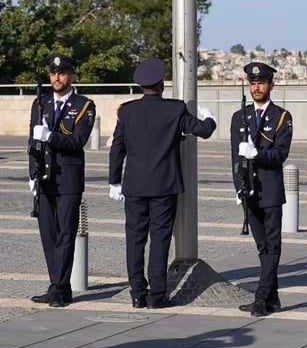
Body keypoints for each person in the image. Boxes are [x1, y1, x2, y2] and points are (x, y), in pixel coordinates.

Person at [107, 57, 217, 309]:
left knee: (134, 240)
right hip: (164, 185)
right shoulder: (175, 109)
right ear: (162, 84)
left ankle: (137, 293)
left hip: (134, 185)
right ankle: (157, 295)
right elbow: (203, 130)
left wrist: (114, 180)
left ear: (141, 86)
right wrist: (209, 117)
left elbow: (117, 148)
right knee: (160, 240)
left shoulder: (126, 111)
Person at [27, 52, 96, 307]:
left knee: (65, 235)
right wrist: (32, 172)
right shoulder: (40, 103)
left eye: (62, 73)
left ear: (72, 75)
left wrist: (50, 137)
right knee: (48, 236)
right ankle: (60, 286)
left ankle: (57, 288)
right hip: (45, 178)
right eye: (53, 73)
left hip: (68, 179)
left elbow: (77, 141)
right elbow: (32, 142)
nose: (57, 77)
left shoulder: (84, 105)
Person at [230, 61, 292, 316]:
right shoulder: (239, 117)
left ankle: (260, 298)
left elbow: (280, 154)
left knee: (272, 246)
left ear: (271, 85)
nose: (257, 87)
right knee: (262, 246)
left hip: (271, 190)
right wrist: (238, 188)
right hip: (249, 190)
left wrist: (257, 154)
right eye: (253, 83)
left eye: (261, 83)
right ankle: (273, 299)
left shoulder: (281, 117)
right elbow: (234, 159)